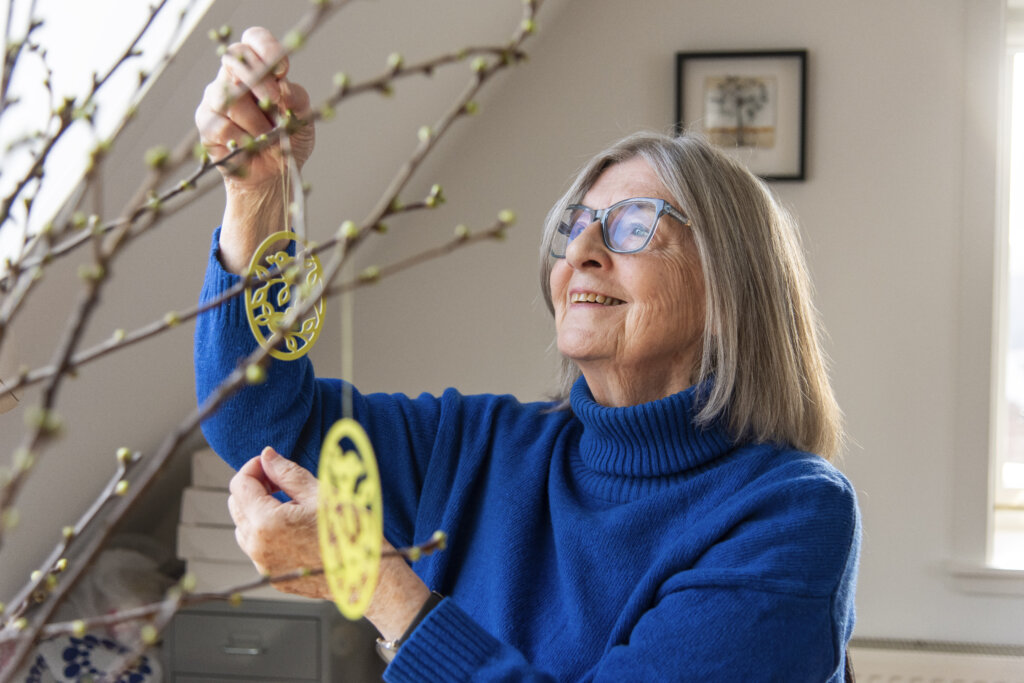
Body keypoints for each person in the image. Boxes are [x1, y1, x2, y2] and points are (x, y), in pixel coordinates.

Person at [193, 27, 860, 682]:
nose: (581, 251)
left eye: (633, 225)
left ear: (729, 282)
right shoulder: (479, 447)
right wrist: (257, 193)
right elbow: (260, 424)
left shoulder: (790, 512)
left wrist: (374, 580)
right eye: (575, 225)